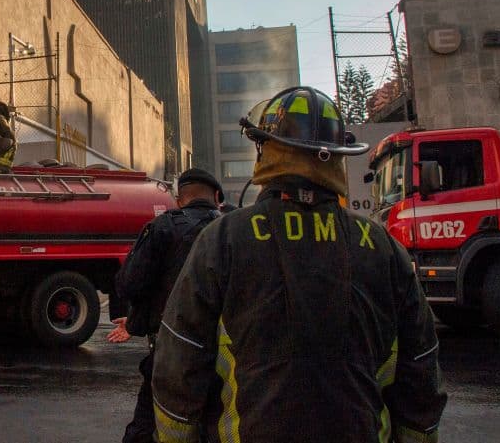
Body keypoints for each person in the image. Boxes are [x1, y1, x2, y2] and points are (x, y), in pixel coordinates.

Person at [151, 87, 447, 443]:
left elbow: (178, 366)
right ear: (336, 158)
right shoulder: (382, 247)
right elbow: (421, 372)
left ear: (266, 150)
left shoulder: (224, 239)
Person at [112, 168, 224, 443]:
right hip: (226, 360)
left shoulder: (164, 227)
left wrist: (138, 321)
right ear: (218, 197)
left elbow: (130, 284)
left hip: (171, 354)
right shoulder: (234, 230)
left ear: (179, 199)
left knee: (147, 428)